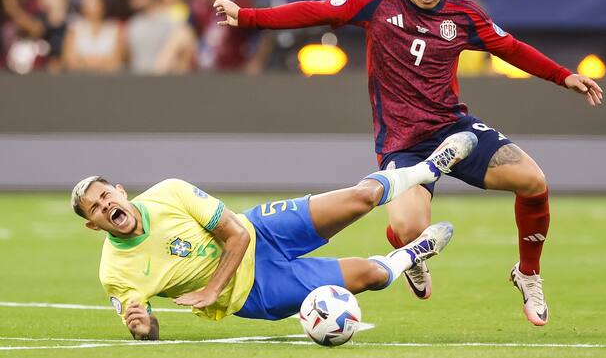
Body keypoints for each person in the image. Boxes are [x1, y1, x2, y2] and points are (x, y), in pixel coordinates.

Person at [213, 0, 604, 327]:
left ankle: (528, 274)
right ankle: (410, 254)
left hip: (455, 129)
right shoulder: (378, 0)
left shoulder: (464, 14)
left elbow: (511, 48)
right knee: (411, 229)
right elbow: (315, 10)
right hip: (403, 144)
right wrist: (248, 17)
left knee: (533, 180)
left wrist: (563, 76)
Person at [70, 131, 477, 340]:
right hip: (254, 292)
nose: (106, 206)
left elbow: (236, 237)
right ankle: (415, 252)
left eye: (106, 196)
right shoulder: (115, 274)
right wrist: (143, 330)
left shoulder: (169, 192)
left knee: (361, 197)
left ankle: (428, 168)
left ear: (120, 191)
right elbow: (146, 327)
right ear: (94, 225)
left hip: (260, 231)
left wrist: (210, 290)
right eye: (96, 209)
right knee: (369, 276)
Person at [62, 0, 125, 74]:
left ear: (103, 4)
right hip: (80, 81)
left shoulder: (114, 29)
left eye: (95, 3)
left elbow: (117, 61)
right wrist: (90, 64)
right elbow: (69, 60)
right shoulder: (74, 28)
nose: (92, 7)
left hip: (108, 81)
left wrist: (94, 64)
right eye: (88, 3)